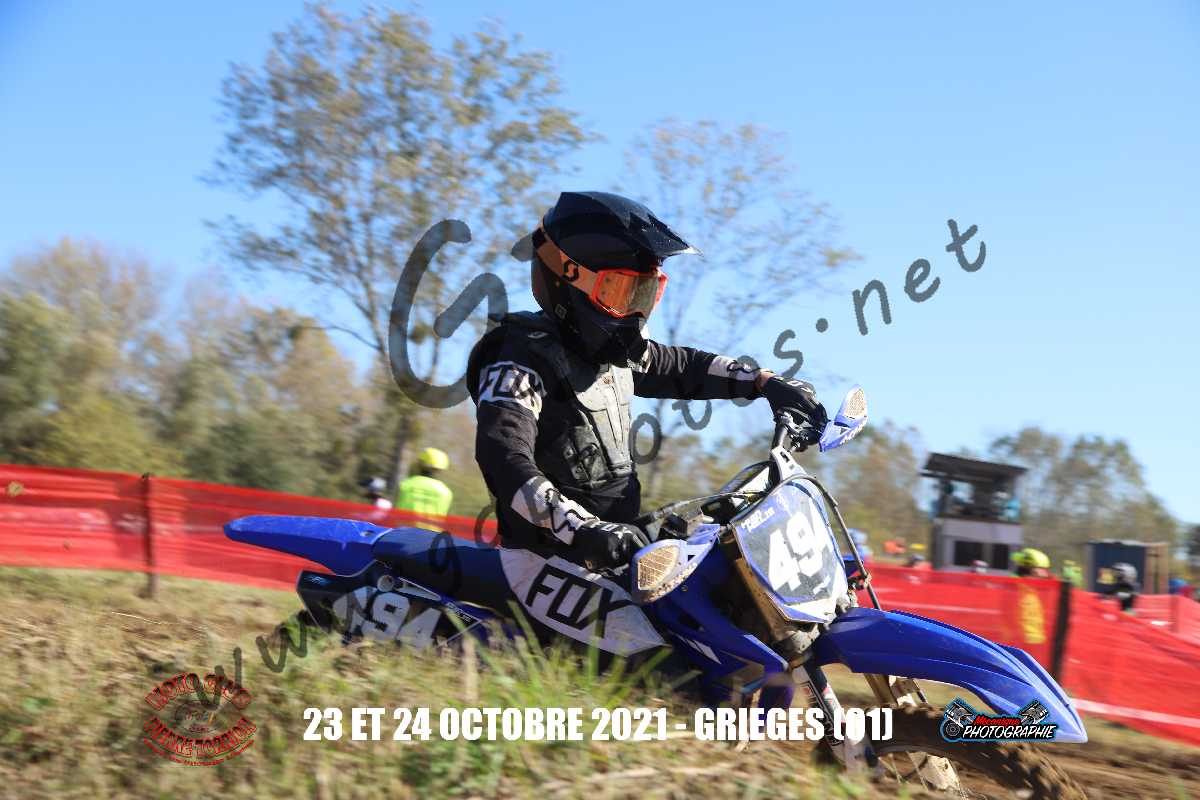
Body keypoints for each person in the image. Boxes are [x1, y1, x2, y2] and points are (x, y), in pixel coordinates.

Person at [467, 191, 828, 572]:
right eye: (618, 291)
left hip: (616, 552)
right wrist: (580, 528)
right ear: (567, 278)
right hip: (543, 562)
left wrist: (763, 382)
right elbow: (503, 457)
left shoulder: (610, 353)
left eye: (644, 293)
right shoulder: (517, 356)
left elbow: (681, 367)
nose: (634, 311)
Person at [395, 447, 453, 529]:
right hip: (431, 536)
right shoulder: (446, 492)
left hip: (403, 533)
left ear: (420, 464)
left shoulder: (405, 484)